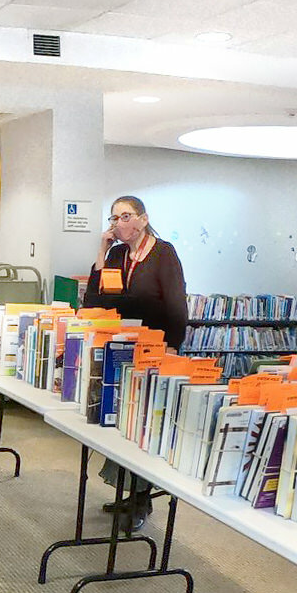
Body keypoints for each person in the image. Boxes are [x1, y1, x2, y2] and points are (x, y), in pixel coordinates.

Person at [82, 195, 188, 531]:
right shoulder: (116, 254)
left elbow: (175, 303)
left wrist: (173, 345)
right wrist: (101, 250)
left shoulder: (163, 253)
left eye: (125, 216)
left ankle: (142, 501)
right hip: (121, 348)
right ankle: (129, 493)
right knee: (121, 423)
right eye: (113, 218)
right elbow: (95, 299)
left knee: (143, 426)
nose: (118, 223)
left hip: (155, 350)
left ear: (142, 219)